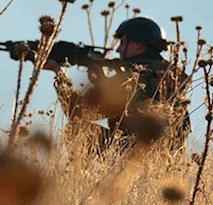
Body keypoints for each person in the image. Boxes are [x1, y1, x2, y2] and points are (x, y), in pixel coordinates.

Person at [43, 16, 191, 155]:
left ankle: (80, 174)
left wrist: (58, 73)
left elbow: (78, 111)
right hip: (168, 157)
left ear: (138, 45)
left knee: (77, 129)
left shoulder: (132, 77)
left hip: (135, 155)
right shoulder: (169, 75)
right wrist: (104, 82)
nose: (118, 49)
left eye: (123, 43)